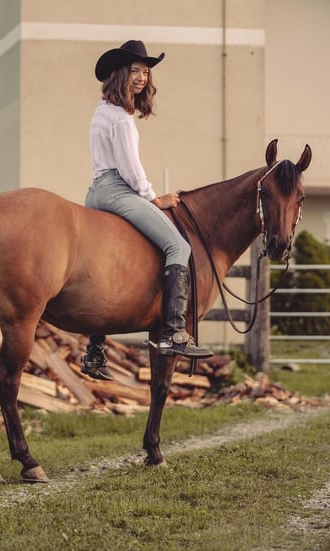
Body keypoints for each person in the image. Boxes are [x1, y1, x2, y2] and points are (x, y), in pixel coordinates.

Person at [81, 40, 213, 381]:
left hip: (95, 192)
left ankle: (95, 352)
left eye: (145, 71)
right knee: (178, 246)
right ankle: (173, 333)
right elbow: (130, 168)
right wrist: (154, 198)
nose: (142, 77)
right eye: (135, 71)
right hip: (118, 191)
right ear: (121, 74)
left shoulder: (102, 110)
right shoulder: (122, 119)